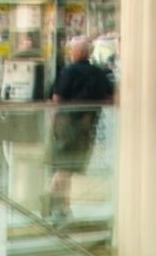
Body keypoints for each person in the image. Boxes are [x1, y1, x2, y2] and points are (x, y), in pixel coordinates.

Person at [46, 35, 112, 222]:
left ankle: (54, 201)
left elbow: (57, 98)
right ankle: (62, 206)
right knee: (68, 167)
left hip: (66, 125)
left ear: (77, 52)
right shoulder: (98, 73)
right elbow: (110, 97)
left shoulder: (68, 71)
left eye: (72, 49)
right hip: (86, 125)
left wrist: (52, 121)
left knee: (62, 167)